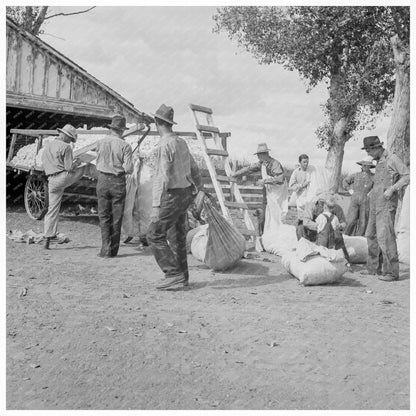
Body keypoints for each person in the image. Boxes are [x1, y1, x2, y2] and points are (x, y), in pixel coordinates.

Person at [147, 104, 202, 290]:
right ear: (170, 123)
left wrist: (155, 206)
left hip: (171, 196)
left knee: (154, 234)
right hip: (185, 193)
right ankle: (183, 277)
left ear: (156, 122)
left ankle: (172, 273)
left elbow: (162, 176)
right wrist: (199, 190)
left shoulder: (164, 145)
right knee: (177, 236)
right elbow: (194, 168)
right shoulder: (181, 142)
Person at [360, 136, 409, 281]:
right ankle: (373, 268)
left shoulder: (392, 158)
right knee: (370, 234)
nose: (368, 154)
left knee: (385, 237)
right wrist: (372, 191)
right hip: (375, 203)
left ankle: (391, 272)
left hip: (386, 205)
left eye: (369, 150)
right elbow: (380, 182)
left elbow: (407, 175)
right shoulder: (378, 162)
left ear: (376, 148)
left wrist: (393, 189)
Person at [95, 114, 133, 258]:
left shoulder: (100, 143)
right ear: (122, 130)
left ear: (111, 128)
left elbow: (97, 160)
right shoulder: (125, 146)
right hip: (117, 181)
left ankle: (105, 249)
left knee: (104, 216)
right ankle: (113, 251)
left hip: (103, 180)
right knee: (116, 217)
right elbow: (129, 169)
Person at [42, 124, 85, 249]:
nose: (70, 141)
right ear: (65, 136)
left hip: (51, 180)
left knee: (52, 209)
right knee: (86, 168)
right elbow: (68, 168)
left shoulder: (48, 145)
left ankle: (48, 238)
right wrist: (77, 162)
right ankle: (107, 176)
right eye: (70, 138)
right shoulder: (66, 147)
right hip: (62, 178)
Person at [233, 143, 287, 234]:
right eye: (258, 155)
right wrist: (236, 174)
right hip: (268, 191)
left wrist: (265, 181)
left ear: (265, 154)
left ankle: (274, 233)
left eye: (260, 154)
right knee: (265, 213)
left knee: (275, 214)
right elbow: (249, 169)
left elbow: (280, 179)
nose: (258, 157)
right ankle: (263, 234)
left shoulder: (275, 164)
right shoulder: (262, 164)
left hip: (277, 192)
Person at [342, 156, 374, 236]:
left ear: (370, 166)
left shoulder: (373, 176)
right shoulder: (356, 175)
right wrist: (349, 189)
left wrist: (371, 192)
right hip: (355, 199)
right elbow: (345, 181)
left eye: (367, 165)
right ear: (361, 166)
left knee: (363, 220)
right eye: (363, 165)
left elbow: (377, 186)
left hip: (366, 200)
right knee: (351, 219)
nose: (365, 167)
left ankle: (360, 237)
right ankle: (346, 236)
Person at [315, 195, 351, 265]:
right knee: (330, 251)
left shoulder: (337, 209)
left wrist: (341, 226)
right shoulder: (334, 217)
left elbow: (343, 223)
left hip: (324, 237)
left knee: (322, 250)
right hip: (330, 238)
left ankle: (345, 260)